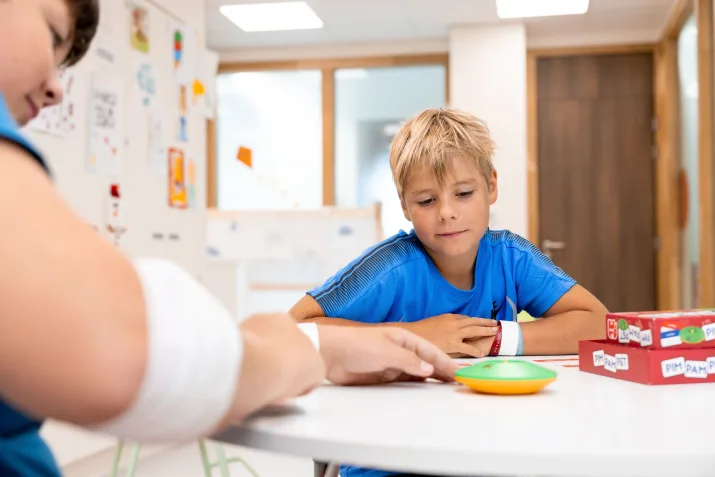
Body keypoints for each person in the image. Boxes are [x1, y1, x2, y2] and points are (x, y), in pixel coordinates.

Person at [0, 1, 459, 476]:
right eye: (54, 35)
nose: (56, 87)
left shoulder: (507, 253)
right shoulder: (390, 263)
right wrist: (304, 349)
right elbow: (120, 348)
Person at [291, 108, 608, 477]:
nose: (446, 213)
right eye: (426, 201)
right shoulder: (390, 267)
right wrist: (416, 337)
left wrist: (495, 339)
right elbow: (295, 328)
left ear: (491, 186)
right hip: (387, 462)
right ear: (405, 205)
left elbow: (598, 323)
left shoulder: (512, 257)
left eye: (463, 193)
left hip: (482, 451)